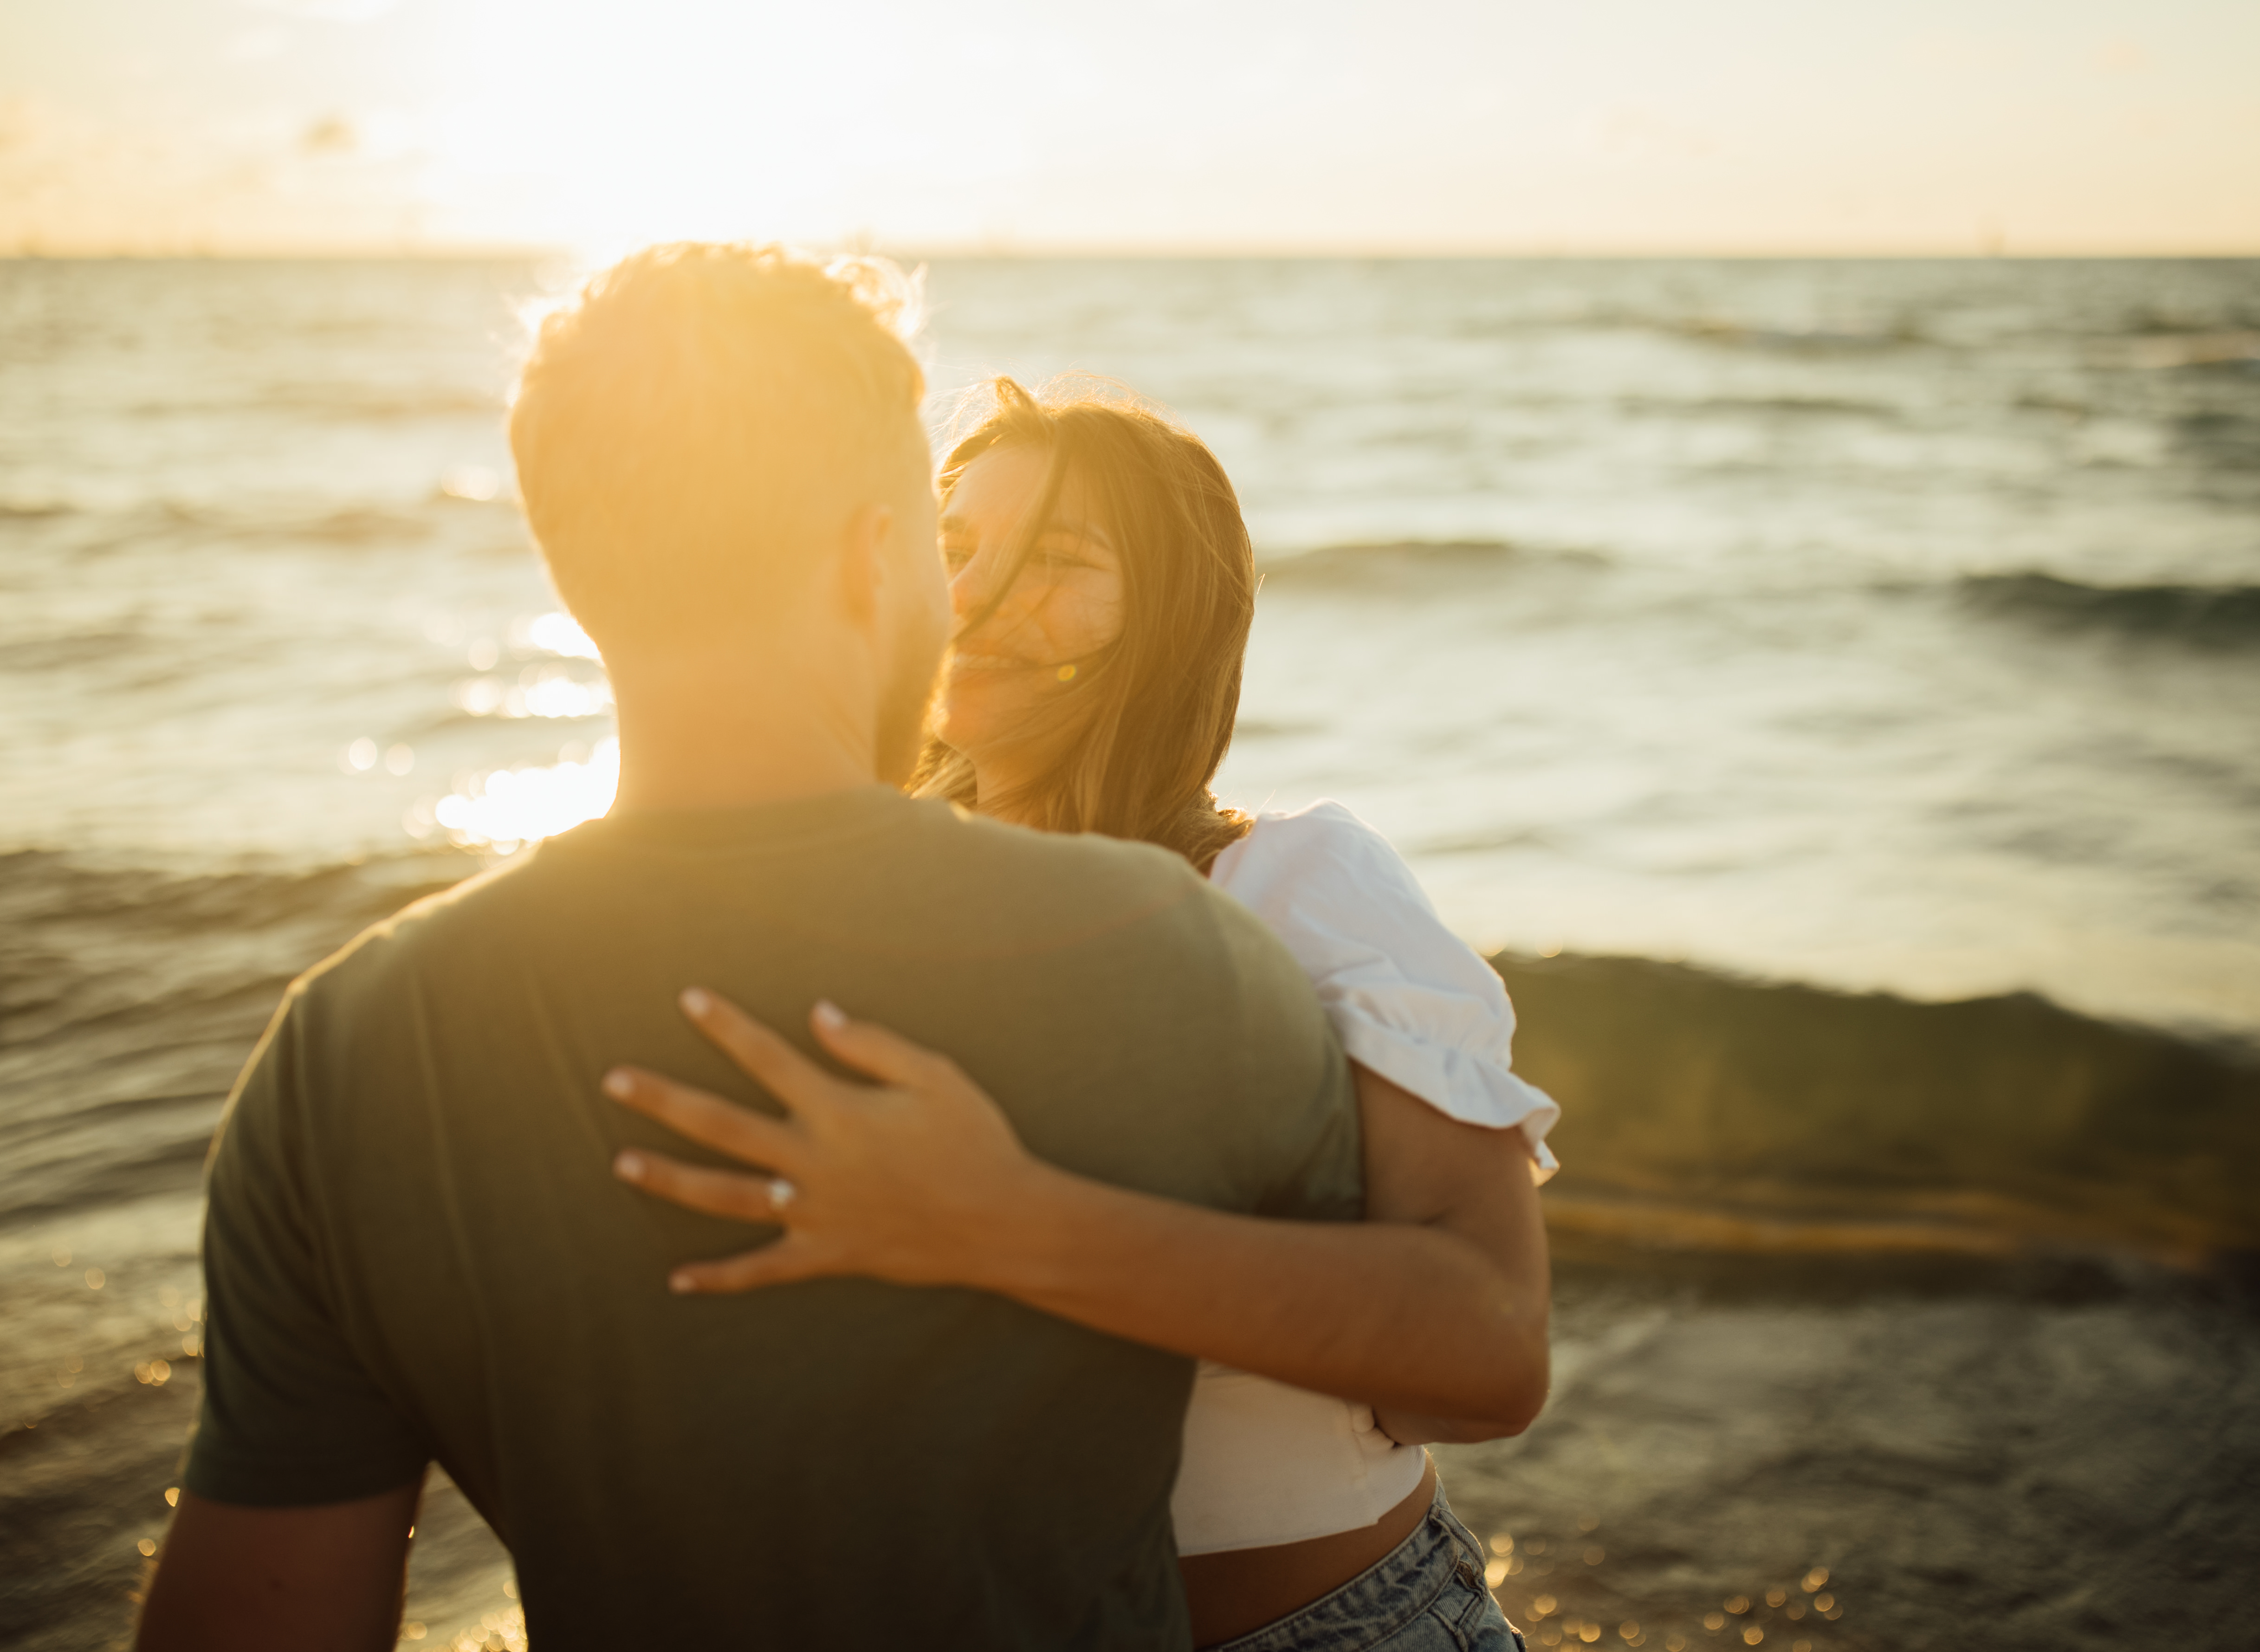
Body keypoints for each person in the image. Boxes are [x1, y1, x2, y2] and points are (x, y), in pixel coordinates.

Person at [136, 245, 1369, 1651]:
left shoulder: (346, 1054)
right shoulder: (1180, 958)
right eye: (938, 530)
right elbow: (1437, 1368)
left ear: (574, 557)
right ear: (874, 553)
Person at [600, 378, 1556, 1650]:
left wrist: (1007, 1224)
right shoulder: (858, 909)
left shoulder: (1291, 889)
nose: (978, 598)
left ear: (1167, 617)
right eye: (952, 551)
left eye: (1057, 561)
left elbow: (1486, 1357)